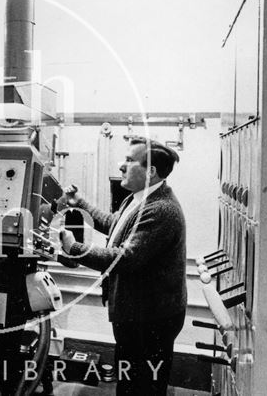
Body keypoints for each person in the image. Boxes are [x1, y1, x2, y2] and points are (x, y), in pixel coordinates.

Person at [57, 137, 187, 396]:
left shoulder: (161, 209)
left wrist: (75, 248)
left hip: (150, 318)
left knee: (141, 385)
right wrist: (79, 203)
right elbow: (113, 224)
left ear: (150, 172)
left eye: (129, 160)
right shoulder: (137, 199)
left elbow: (125, 258)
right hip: (137, 313)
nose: (121, 166)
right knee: (130, 379)